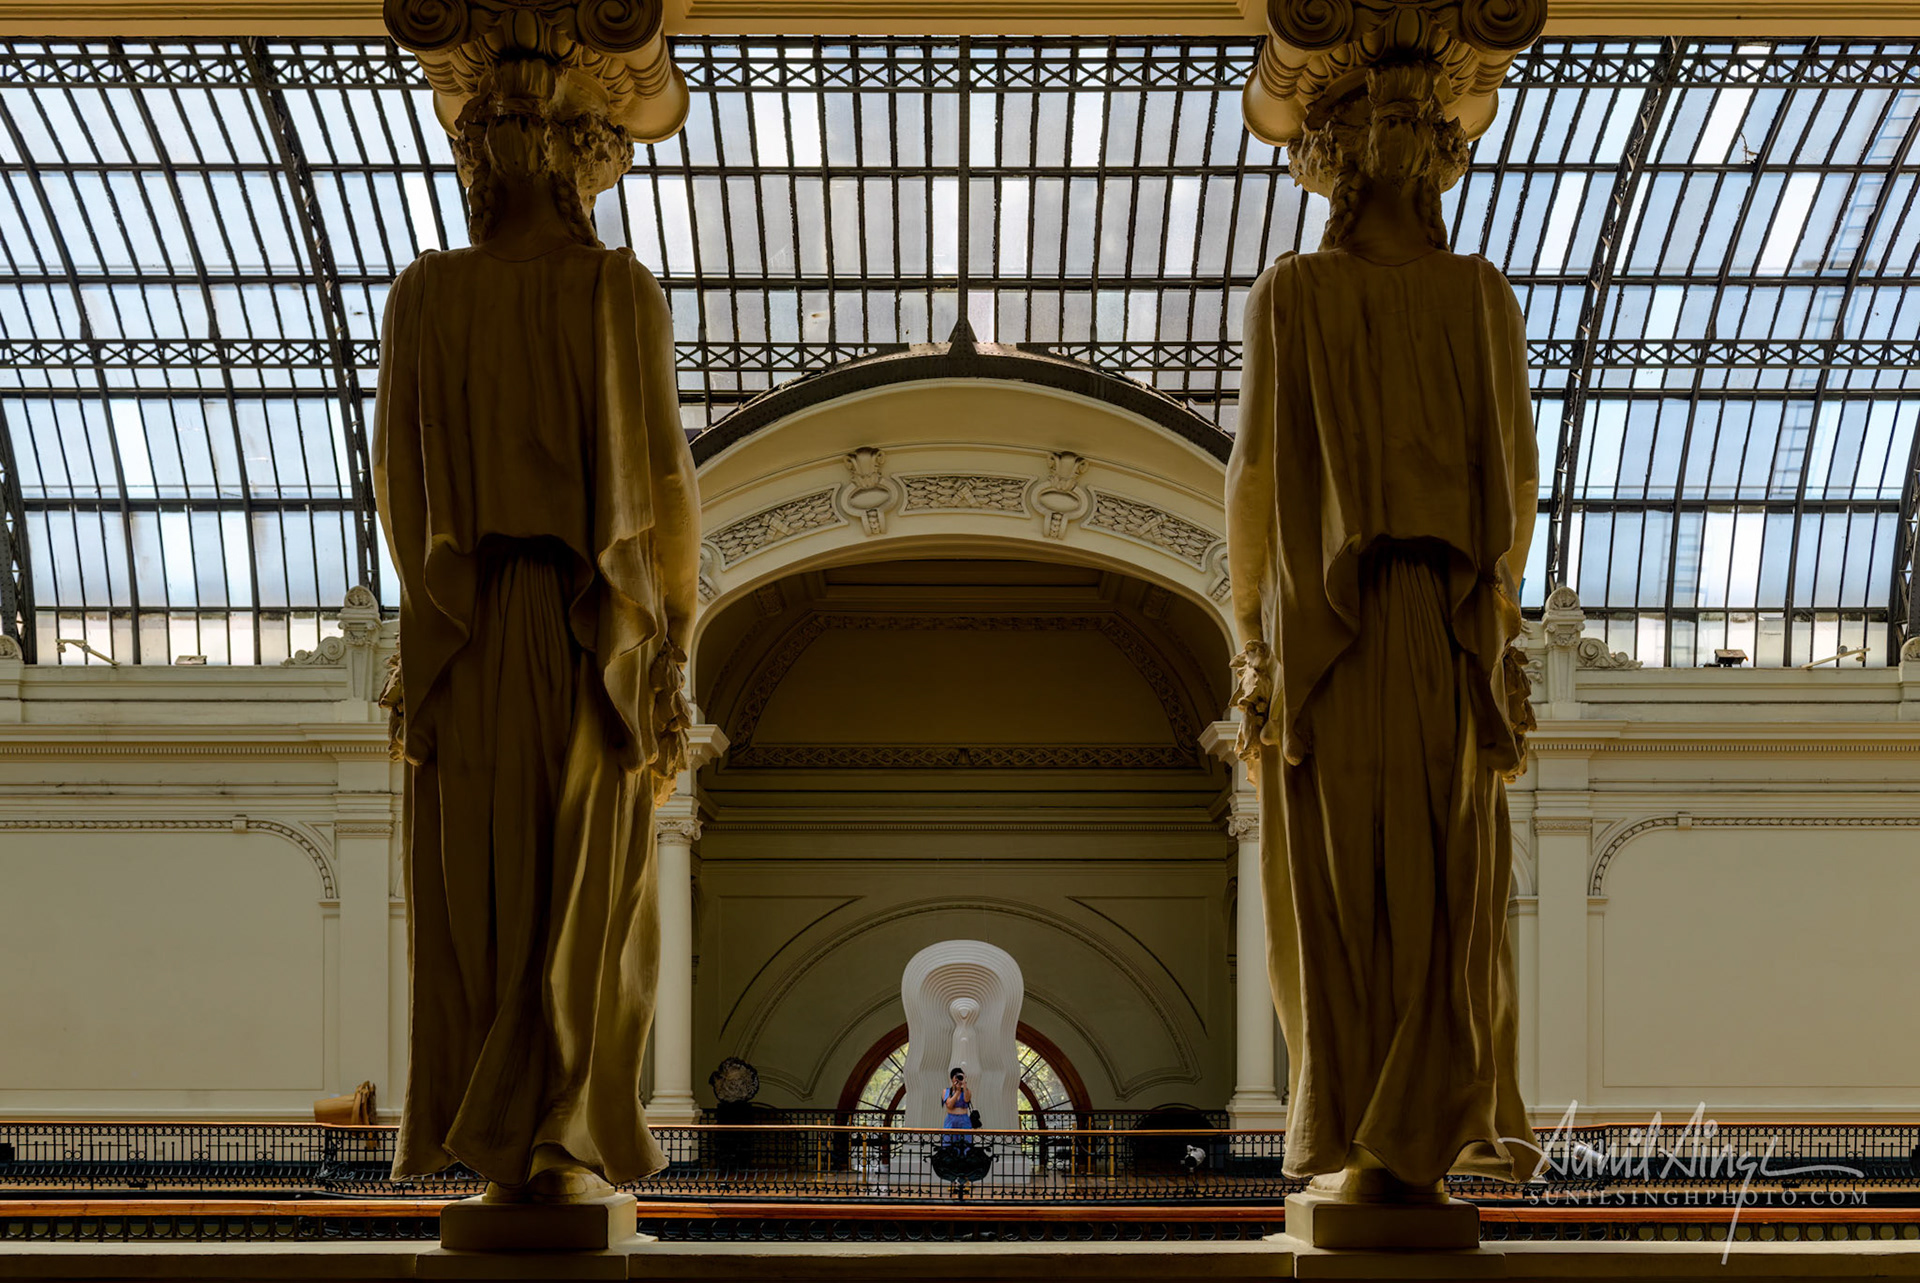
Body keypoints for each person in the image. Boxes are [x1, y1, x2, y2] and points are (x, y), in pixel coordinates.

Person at [376, 56, 700, 1198]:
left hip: (484, 635)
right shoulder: (615, 288)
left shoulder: (429, 292)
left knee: (502, 894)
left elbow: (401, 489)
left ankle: (531, 1129)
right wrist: (670, 653)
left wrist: (428, 632)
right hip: (582, 636)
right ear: (582, 162)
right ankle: (554, 1129)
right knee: (578, 897)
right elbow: (659, 491)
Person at [1226, 57, 1540, 1198]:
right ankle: (1357, 1116)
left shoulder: (1477, 295)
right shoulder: (1293, 294)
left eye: (1411, 125)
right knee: (1342, 876)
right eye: (1372, 127)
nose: (1394, 144)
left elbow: (1512, 473)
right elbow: (1255, 476)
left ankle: (1428, 1118)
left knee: (1448, 879)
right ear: (1335, 159)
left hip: (1436, 626)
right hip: (1330, 635)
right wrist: (1253, 642)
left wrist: (1493, 629)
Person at [941, 1068, 974, 1152]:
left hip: (964, 1119)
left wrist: (964, 1086)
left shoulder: (967, 1091)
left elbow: (966, 1100)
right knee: (949, 1144)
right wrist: (957, 1092)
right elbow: (949, 1105)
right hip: (951, 1119)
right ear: (952, 1079)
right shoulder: (947, 1091)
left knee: (966, 1145)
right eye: (957, 1077)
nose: (959, 1079)